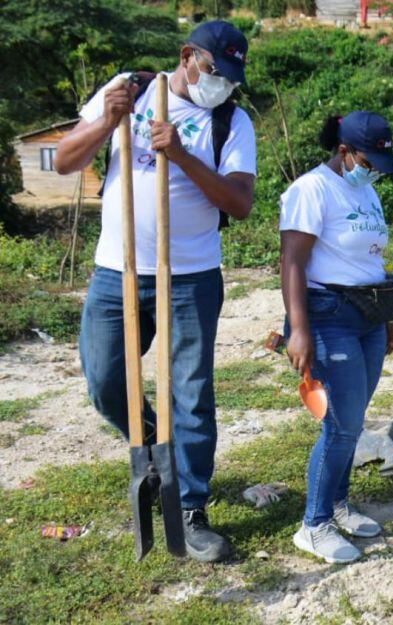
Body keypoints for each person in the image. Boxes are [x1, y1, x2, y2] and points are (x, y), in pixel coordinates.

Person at [56, 21, 256, 562]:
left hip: (191, 275)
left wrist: (183, 156)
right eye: (216, 71)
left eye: (232, 78)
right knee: (103, 381)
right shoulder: (133, 89)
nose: (224, 85)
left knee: (191, 392)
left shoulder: (230, 121)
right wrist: (108, 119)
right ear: (188, 56)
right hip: (115, 271)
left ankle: (190, 508)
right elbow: (65, 160)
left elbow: (239, 203)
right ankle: (153, 444)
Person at [280, 111, 393, 564]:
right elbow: (291, 262)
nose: (372, 172)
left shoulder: (366, 191)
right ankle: (313, 525)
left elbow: (371, 258)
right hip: (327, 315)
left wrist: (385, 316)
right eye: (368, 161)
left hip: (368, 316)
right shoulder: (311, 190)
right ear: (345, 151)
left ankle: (337, 505)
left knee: (354, 417)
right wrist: (298, 328)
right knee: (341, 423)